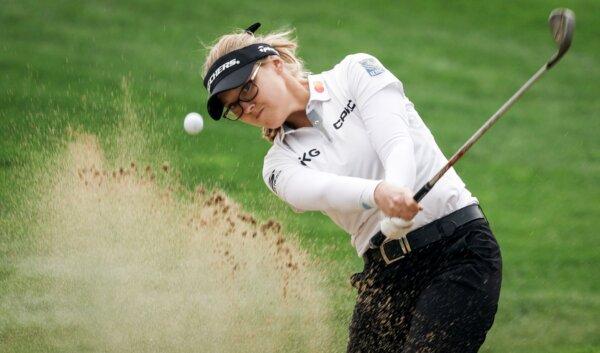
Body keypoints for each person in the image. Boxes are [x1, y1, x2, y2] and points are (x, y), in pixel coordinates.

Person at [201, 23, 502, 353]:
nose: (247, 107)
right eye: (235, 107)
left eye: (247, 90)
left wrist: (397, 192)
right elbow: (322, 189)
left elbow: (395, 141)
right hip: (386, 277)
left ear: (275, 65)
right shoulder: (278, 165)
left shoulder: (354, 71)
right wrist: (378, 195)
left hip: (458, 251)